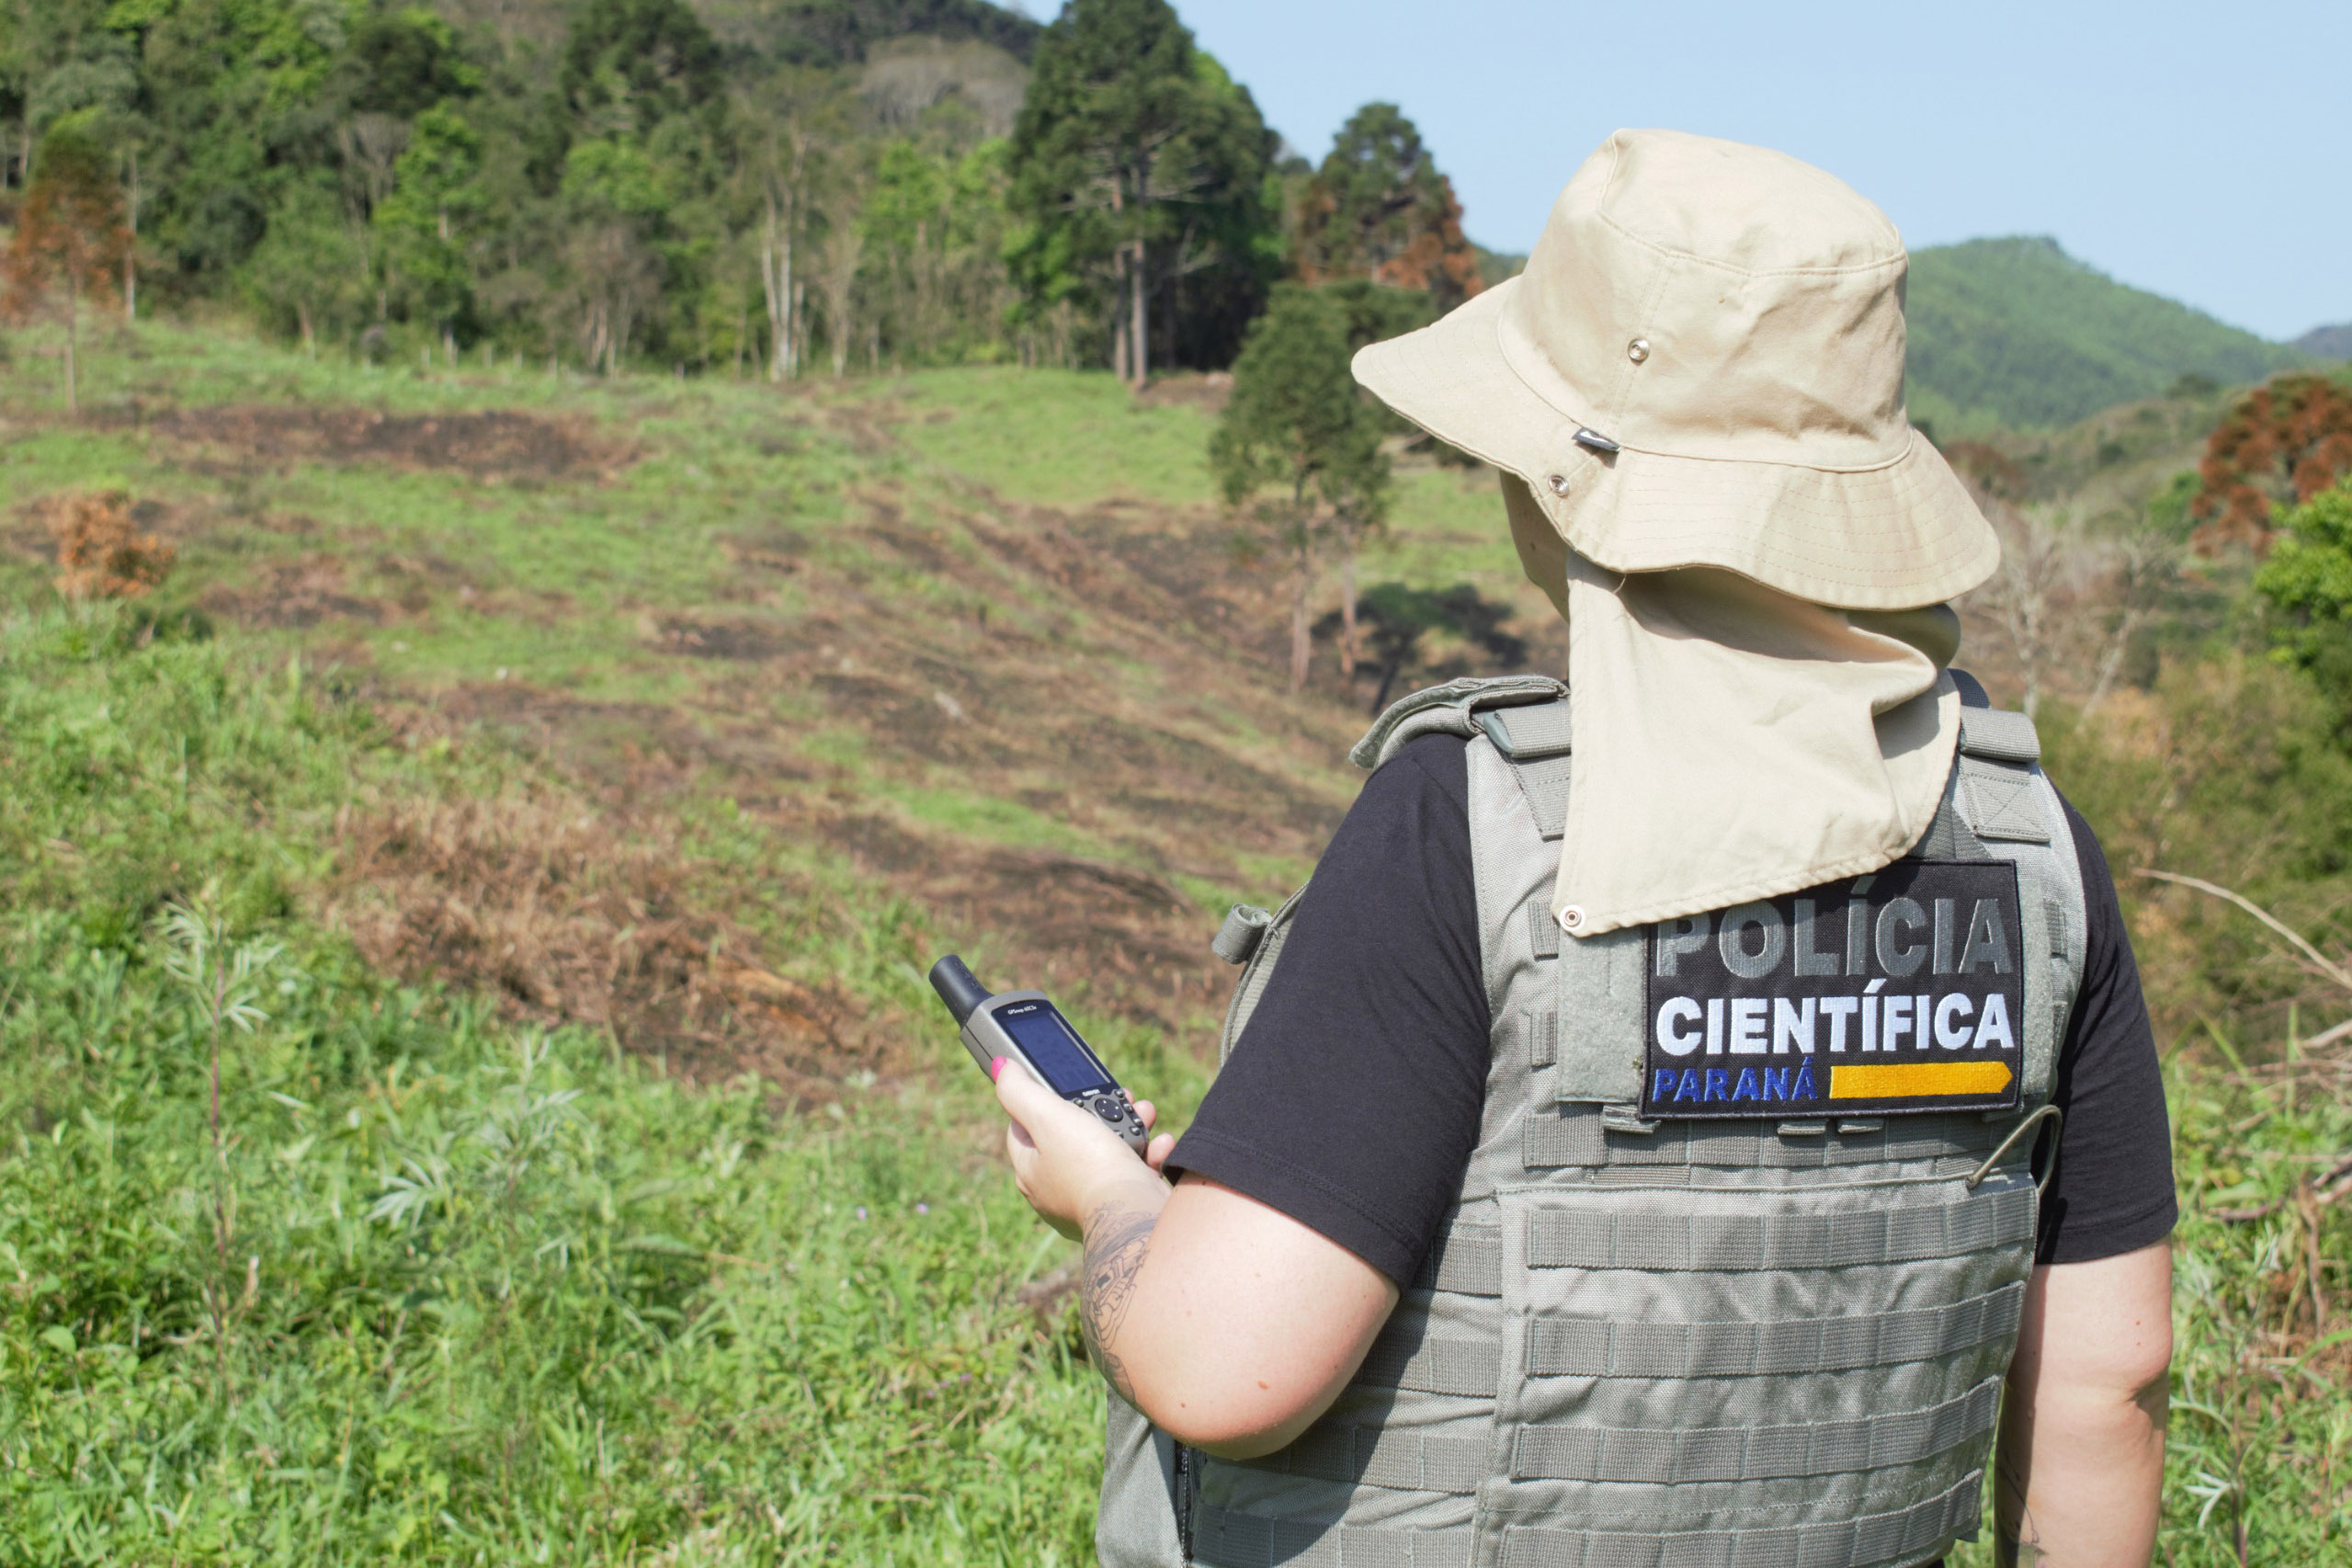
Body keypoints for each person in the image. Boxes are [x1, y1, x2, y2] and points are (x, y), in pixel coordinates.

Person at [991, 130, 2174, 1568]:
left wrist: (1112, 1201)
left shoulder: (1469, 822)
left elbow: (1221, 1365)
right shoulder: (2035, 853)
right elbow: (2107, 1386)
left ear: (1559, 485)